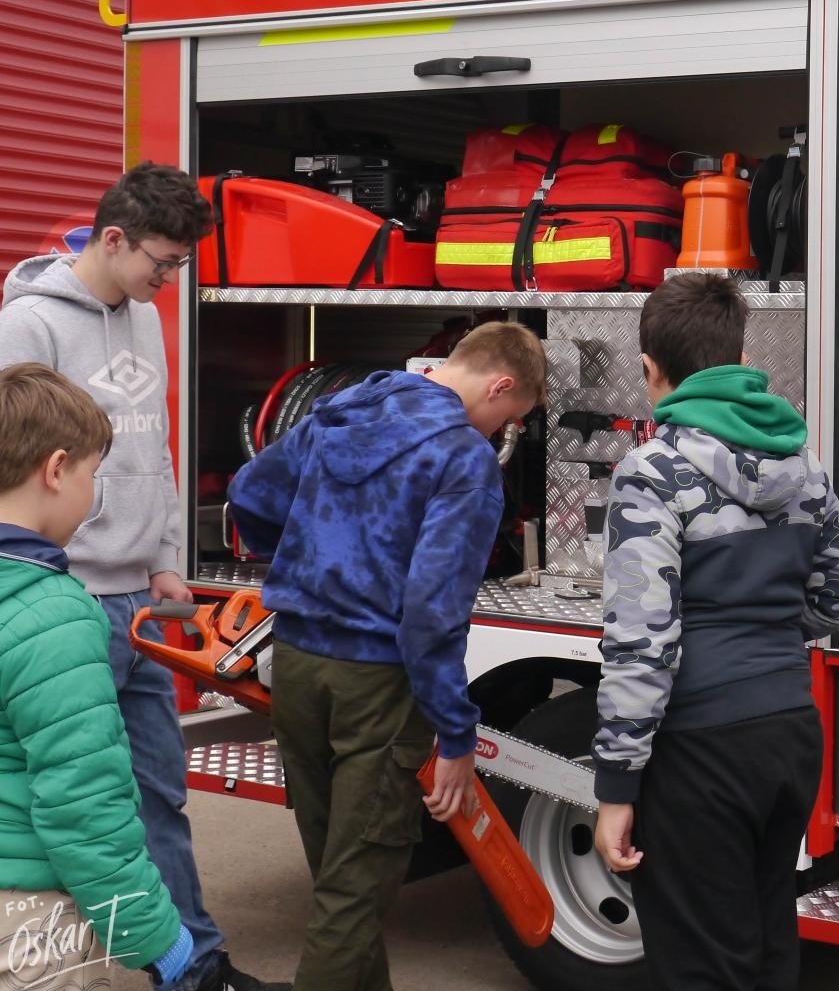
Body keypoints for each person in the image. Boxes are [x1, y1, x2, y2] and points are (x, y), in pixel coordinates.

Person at [0, 163, 280, 991]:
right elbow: (18, 464)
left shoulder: (147, 317)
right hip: (63, 597)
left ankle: (192, 964)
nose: (169, 279)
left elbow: (153, 447)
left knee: (157, 791)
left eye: (181, 265)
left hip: (136, 600)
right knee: (75, 793)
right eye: (161, 261)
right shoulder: (29, 324)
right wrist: (48, 579)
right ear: (112, 238)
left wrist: (165, 559)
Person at [227, 322, 546, 991]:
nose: (497, 435)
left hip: (297, 663)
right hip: (376, 684)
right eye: (506, 419)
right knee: (354, 886)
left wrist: (303, 557)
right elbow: (431, 613)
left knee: (343, 875)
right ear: (501, 385)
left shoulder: (341, 410)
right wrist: (455, 736)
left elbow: (252, 493)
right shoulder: (463, 462)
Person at [590, 272, 839, 990]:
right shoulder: (799, 464)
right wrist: (773, 636)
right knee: (767, 938)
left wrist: (616, 788)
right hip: (787, 733)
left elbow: (643, 640)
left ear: (652, 368)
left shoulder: (652, 471)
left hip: (700, 748)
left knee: (703, 966)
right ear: (736, 356)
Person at [0, 362, 199, 990]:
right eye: (93, 474)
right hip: (29, 920)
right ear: (57, 470)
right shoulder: (55, 616)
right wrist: (150, 932)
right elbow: (83, 803)